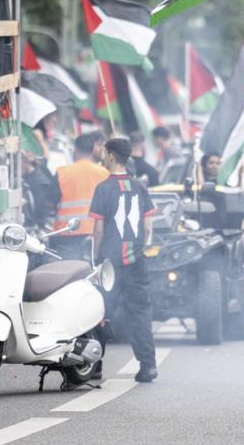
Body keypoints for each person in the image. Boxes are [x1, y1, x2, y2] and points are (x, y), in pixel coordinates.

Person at [89, 138, 158, 383]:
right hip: (137, 261)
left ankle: (93, 366)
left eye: (104, 151)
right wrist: (140, 248)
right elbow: (148, 226)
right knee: (139, 314)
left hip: (110, 263)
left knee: (99, 311)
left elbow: (98, 230)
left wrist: (96, 257)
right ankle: (148, 366)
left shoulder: (103, 188)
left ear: (109, 155)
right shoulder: (139, 187)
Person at [51, 133, 109, 260]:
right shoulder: (104, 173)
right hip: (96, 233)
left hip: (67, 233)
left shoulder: (62, 172)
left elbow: (51, 202)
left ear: (75, 150)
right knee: (93, 273)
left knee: (70, 274)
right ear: (92, 150)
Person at [21, 151, 58, 230]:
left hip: (40, 228)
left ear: (25, 162)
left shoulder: (40, 183)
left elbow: (41, 210)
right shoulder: (28, 178)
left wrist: (36, 228)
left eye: (17, 164)